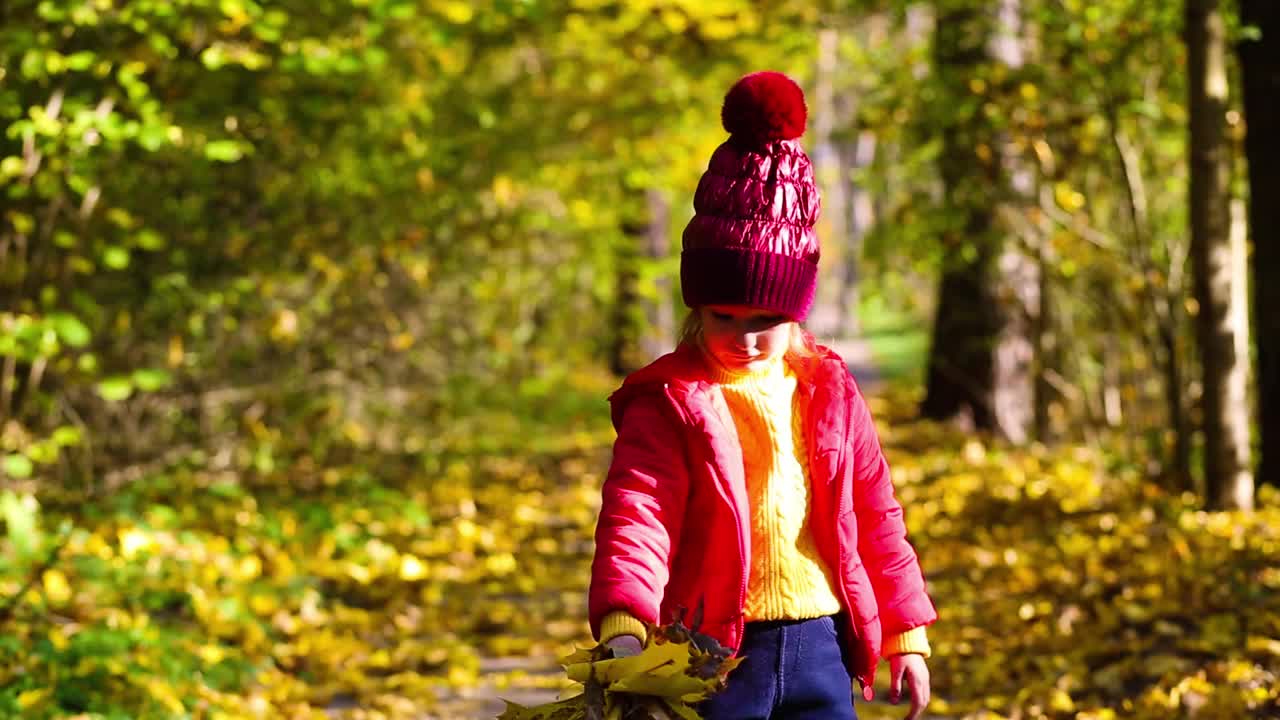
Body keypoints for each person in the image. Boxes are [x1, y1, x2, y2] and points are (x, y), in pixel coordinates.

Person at [587, 71, 937, 720]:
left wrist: (904, 634)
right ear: (697, 308)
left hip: (823, 644)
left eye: (764, 323)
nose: (745, 340)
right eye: (725, 317)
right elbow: (639, 514)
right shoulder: (671, 399)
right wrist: (624, 623)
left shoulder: (829, 389)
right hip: (709, 654)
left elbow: (876, 514)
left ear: (796, 314)